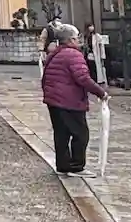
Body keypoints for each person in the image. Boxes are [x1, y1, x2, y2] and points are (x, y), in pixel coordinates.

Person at [41, 23, 108, 175]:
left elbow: (45, 77)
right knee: (80, 134)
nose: (79, 40)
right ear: (71, 39)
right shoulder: (74, 55)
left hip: (53, 99)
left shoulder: (55, 54)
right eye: (77, 38)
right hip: (69, 101)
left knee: (61, 134)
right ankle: (77, 166)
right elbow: (83, 78)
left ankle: (63, 165)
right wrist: (100, 92)